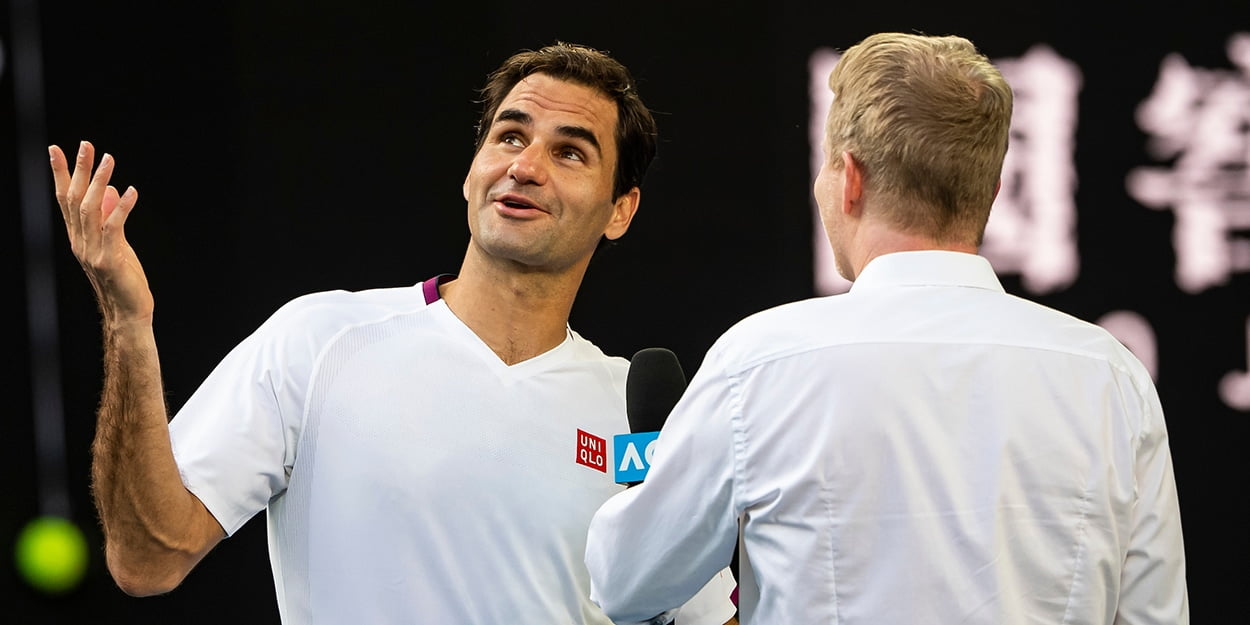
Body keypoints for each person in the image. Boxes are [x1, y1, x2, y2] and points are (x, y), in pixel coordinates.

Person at [50, 41, 737, 624]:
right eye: (510, 135)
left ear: (621, 209)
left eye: (570, 152)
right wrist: (127, 323)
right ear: (472, 173)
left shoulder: (642, 417)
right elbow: (146, 557)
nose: (524, 165)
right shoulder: (319, 340)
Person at [584, 31, 1188, 625]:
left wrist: (649, 478)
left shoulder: (761, 362)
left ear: (849, 179)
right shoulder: (1112, 377)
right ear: (994, 190)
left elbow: (629, 582)